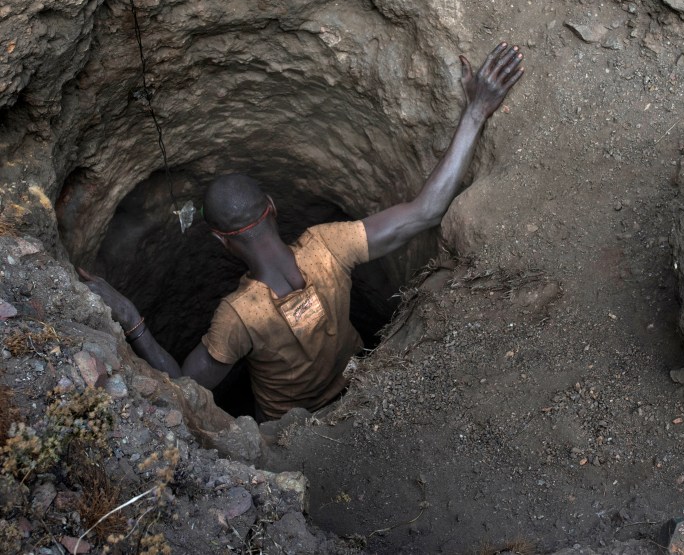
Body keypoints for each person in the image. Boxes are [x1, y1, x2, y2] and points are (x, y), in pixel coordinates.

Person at [79, 42, 524, 420]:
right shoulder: (329, 245)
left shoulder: (237, 317)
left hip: (288, 429)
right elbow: (426, 211)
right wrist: (476, 111)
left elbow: (183, 387)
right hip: (360, 390)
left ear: (220, 239)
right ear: (273, 207)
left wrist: (129, 318)